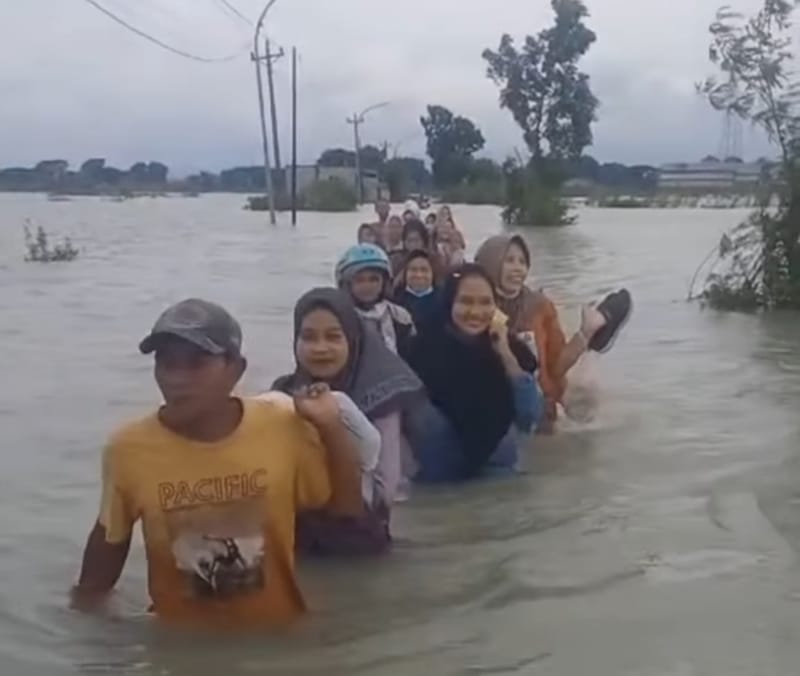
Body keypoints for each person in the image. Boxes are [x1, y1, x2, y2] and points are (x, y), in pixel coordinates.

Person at [71, 299, 363, 629]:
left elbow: (347, 510)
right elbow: (99, 573)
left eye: (197, 363)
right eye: (167, 363)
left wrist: (331, 427)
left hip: (278, 643)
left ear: (236, 369)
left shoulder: (282, 428)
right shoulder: (128, 449)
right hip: (182, 649)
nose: (177, 379)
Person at [273, 288, 424, 513]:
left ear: (352, 340)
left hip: (359, 528)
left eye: (333, 336)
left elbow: (384, 494)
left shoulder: (381, 398)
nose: (320, 348)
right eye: (309, 337)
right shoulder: (284, 393)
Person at [475, 235, 632, 432]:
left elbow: (556, 367)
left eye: (523, 262)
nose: (518, 268)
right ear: (490, 262)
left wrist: (584, 332)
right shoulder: (472, 305)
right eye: (509, 260)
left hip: (535, 407)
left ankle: (594, 328)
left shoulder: (539, 307)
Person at [405, 265, 541, 482]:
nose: (476, 312)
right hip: (439, 480)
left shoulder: (511, 349)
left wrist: (505, 354)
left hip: (498, 472)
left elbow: (529, 416)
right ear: (450, 302)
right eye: (466, 301)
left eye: (485, 302)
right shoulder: (420, 350)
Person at [335, 244, 416, 358]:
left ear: (384, 282)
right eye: (360, 280)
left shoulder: (400, 318)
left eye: (374, 279)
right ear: (346, 285)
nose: (367, 286)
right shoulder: (338, 320)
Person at [393, 250, 441, 332]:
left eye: (424, 270)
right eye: (413, 270)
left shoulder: (444, 301)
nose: (419, 275)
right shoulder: (395, 301)